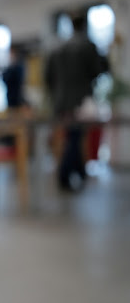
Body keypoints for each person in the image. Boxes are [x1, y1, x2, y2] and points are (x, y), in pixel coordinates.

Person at [45, 13, 108, 191]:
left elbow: (47, 77)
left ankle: (78, 172)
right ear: (84, 25)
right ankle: (65, 175)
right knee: (75, 136)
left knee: (72, 136)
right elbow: (99, 70)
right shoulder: (87, 46)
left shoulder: (57, 47)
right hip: (81, 101)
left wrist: (56, 93)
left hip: (60, 101)